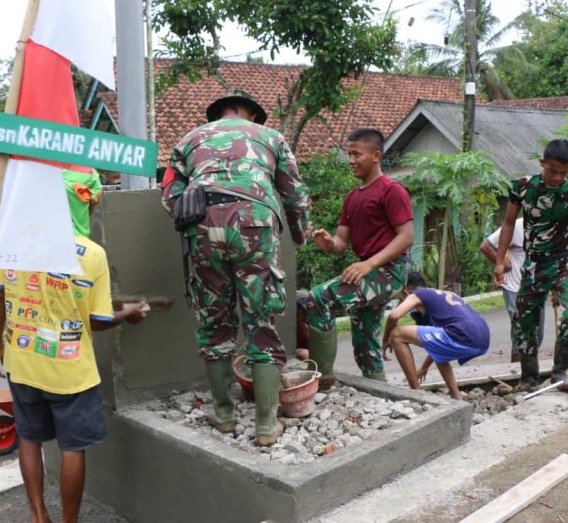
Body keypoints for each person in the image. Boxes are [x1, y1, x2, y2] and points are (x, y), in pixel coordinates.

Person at [0, 171, 147, 523]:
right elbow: (98, 321)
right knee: (72, 448)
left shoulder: (16, 239)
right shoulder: (91, 254)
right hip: (70, 372)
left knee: (29, 438)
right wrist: (129, 313)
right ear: (83, 202)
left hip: (23, 361)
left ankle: (38, 515)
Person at [161, 88, 310, 446]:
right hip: (254, 224)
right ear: (252, 115)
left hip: (202, 227)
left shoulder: (189, 138)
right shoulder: (270, 137)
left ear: (217, 116)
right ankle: (265, 425)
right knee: (261, 323)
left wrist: (193, 222)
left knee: (214, 322)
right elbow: (295, 195)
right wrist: (299, 236)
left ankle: (224, 414)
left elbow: (168, 194)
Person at [303, 128, 414, 386]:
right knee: (365, 343)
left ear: (376, 156)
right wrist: (329, 243)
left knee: (319, 297)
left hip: (390, 271)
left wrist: (370, 263)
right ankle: (382, 392)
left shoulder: (391, 190)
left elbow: (406, 236)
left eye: (356, 154)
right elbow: (342, 242)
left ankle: (321, 378)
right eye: (348, 154)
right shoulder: (352, 197)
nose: (351, 160)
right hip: (369, 272)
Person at [493, 139, 568, 391]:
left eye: (563, 172)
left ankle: (560, 372)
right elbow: (508, 224)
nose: (557, 177)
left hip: (563, 264)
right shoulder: (521, 187)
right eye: (552, 171)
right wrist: (500, 261)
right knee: (524, 324)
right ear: (542, 163)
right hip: (532, 267)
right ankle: (528, 379)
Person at [381, 280, 489, 397]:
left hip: (463, 335)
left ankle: (417, 394)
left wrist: (385, 339)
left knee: (396, 333)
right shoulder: (440, 297)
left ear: (406, 291)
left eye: (402, 297)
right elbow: (436, 345)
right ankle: (456, 396)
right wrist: (424, 367)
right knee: (439, 352)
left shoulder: (416, 294)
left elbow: (393, 316)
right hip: (482, 340)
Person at [480, 218, 545, 363]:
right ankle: (517, 372)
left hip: (537, 287)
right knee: (520, 330)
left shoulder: (546, 226)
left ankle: (529, 369)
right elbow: (485, 246)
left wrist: (554, 290)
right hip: (514, 286)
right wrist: (502, 263)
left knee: (537, 334)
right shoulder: (515, 226)